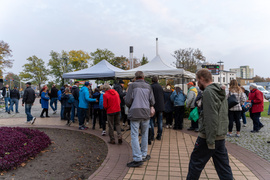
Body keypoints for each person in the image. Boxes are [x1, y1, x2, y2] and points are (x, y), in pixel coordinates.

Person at [187, 69, 233, 180]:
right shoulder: (219, 90)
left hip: (208, 137)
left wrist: (210, 141)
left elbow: (211, 117)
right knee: (223, 168)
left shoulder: (208, 92)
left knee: (195, 164)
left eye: (197, 80)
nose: (197, 83)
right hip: (220, 135)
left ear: (202, 79)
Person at [125, 71, 155, 167]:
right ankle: (143, 154)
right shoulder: (148, 86)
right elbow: (152, 101)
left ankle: (137, 158)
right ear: (143, 77)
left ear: (135, 77)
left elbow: (128, 101)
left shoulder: (132, 86)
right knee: (145, 134)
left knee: (134, 135)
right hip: (146, 112)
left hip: (135, 112)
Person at [150, 76, 164, 140]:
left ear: (152, 81)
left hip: (153, 106)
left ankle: (152, 135)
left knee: (152, 121)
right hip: (160, 106)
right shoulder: (160, 87)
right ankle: (159, 135)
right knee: (160, 121)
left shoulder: (151, 87)